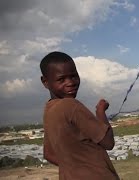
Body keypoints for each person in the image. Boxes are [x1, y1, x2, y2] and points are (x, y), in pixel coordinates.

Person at [40, 51, 119, 180]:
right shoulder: (71, 106)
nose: (71, 82)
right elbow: (108, 142)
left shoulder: (49, 110)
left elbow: (48, 154)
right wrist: (100, 112)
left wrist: (75, 168)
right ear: (45, 82)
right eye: (61, 79)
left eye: (74, 76)